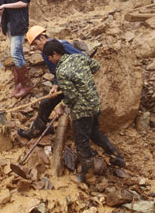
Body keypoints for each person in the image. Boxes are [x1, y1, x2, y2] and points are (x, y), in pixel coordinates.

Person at [43, 40, 125, 184]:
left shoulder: (61, 71)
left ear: (55, 54)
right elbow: (95, 65)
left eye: (49, 57)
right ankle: (117, 157)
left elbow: (72, 96)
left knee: (81, 142)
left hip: (82, 111)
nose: (49, 60)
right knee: (95, 132)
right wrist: (83, 78)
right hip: (94, 104)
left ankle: (89, 177)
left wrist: (61, 106)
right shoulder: (78, 57)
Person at [17, 26, 84, 139]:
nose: (35, 48)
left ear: (42, 37)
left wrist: (71, 80)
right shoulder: (45, 53)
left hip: (76, 83)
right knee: (46, 102)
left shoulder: (63, 46)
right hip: (64, 84)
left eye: (35, 44)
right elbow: (55, 71)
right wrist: (55, 85)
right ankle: (36, 130)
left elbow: (83, 60)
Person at [0, 0, 33, 97]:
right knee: (17, 52)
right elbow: (0, 6)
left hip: (19, 23)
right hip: (8, 24)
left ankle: (27, 85)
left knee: (15, 53)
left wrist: (5, 6)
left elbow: (24, 3)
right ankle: (19, 82)